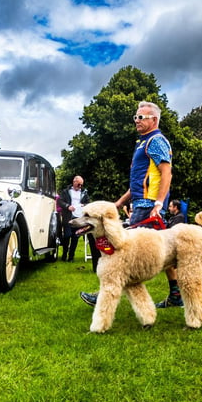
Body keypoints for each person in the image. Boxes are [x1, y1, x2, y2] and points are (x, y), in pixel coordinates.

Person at [80, 101, 183, 308]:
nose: (136, 120)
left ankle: (104, 294)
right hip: (141, 203)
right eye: (135, 117)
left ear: (154, 120)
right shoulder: (142, 143)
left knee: (120, 251)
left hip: (148, 206)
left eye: (141, 117)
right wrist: (118, 203)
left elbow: (166, 172)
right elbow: (137, 182)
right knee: (166, 251)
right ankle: (176, 295)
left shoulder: (155, 141)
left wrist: (159, 203)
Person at [58, 175, 90, 262]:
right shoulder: (66, 191)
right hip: (68, 217)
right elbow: (60, 201)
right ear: (74, 182)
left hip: (78, 218)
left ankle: (71, 257)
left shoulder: (84, 192)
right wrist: (67, 206)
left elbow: (88, 203)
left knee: (75, 237)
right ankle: (64, 254)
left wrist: (84, 205)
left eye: (81, 185)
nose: (80, 186)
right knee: (67, 235)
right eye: (79, 184)